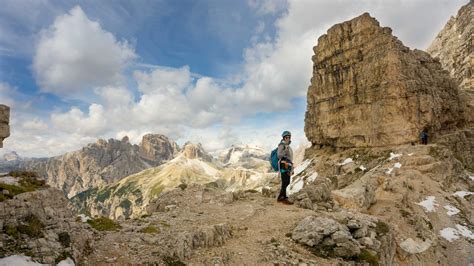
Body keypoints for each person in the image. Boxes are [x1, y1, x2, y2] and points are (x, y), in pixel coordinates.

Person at [277, 130, 294, 205]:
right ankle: (282, 198)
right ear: (283, 138)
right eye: (286, 137)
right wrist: (286, 149)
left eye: (289, 137)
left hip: (288, 166)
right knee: (285, 182)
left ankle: (282, 196)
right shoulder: (282, 145)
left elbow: (289, 157)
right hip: (284, 166)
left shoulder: (288, 146)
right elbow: (279, 155)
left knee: (287, 181)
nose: (287, 138)